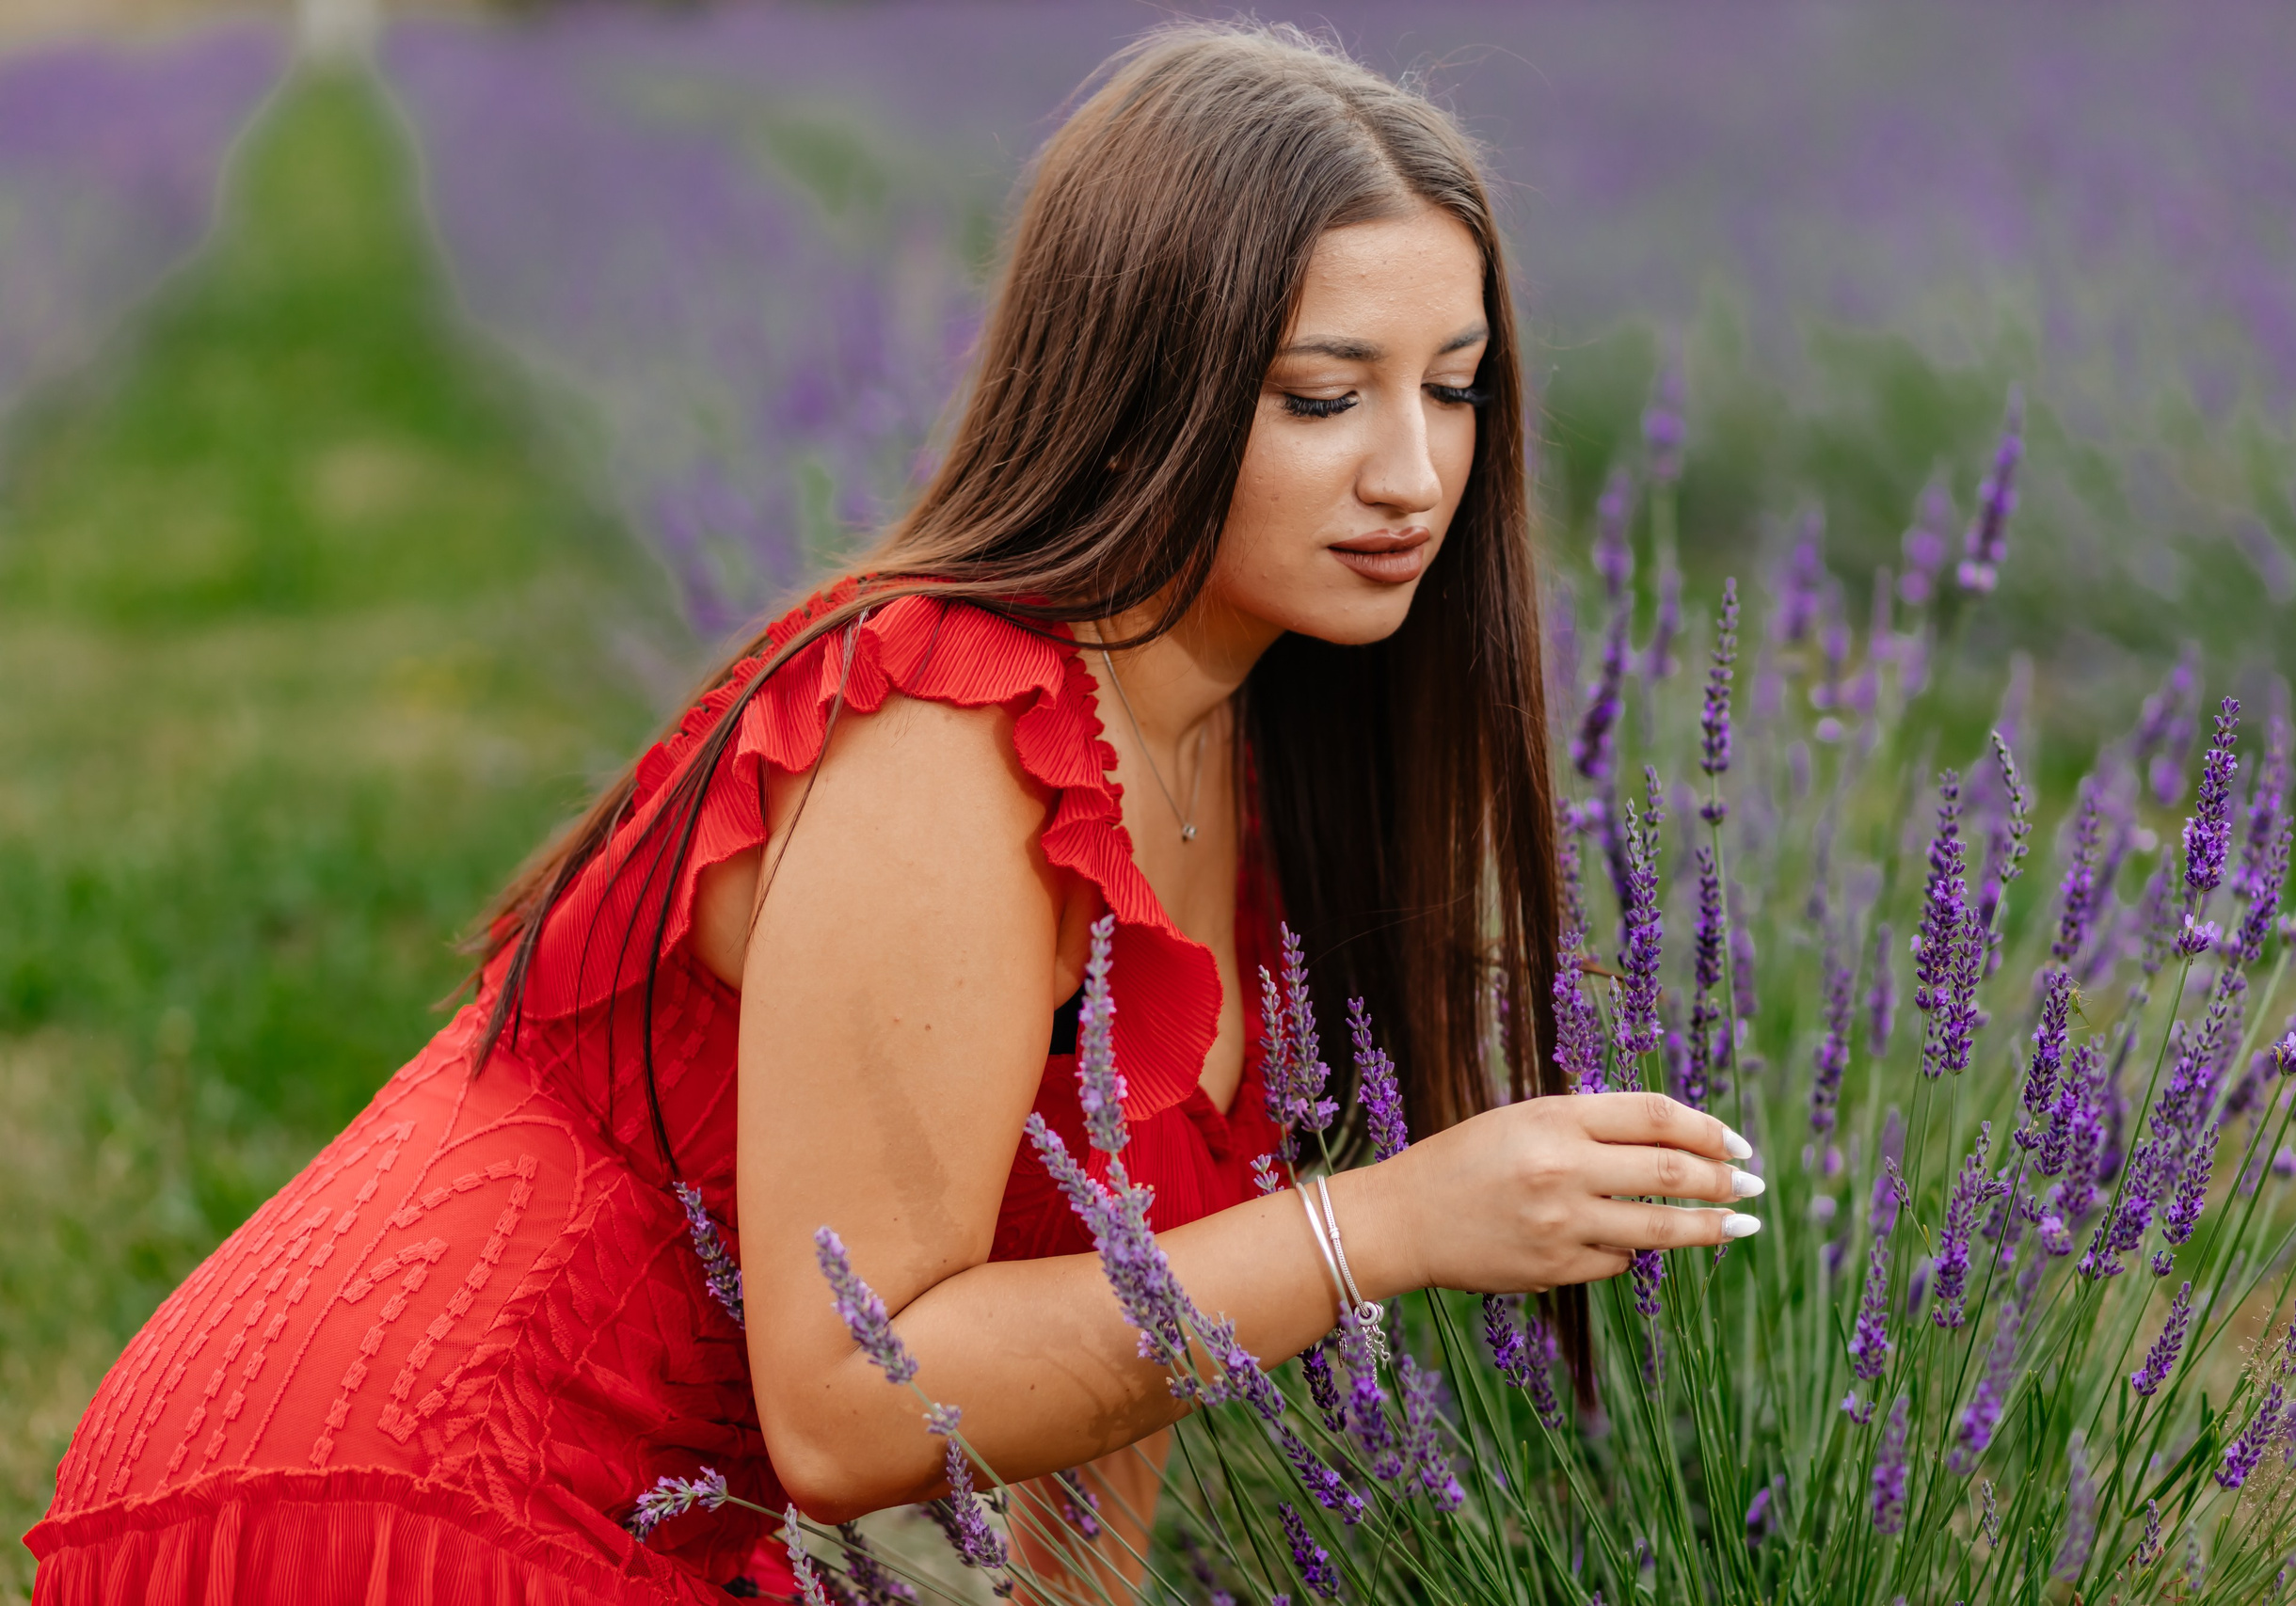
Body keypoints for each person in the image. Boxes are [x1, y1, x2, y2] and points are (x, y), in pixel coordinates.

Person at [28, 23, 1760, 1604]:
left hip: (623, 1522)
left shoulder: (1242, 761)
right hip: (386, 1501)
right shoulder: (948, 729)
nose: (1414, 475)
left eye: (1453, 386)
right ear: (1140, 395)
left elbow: (1118, 1365)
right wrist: (1385, 1225)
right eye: (1322, 397)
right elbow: (853, 1409)